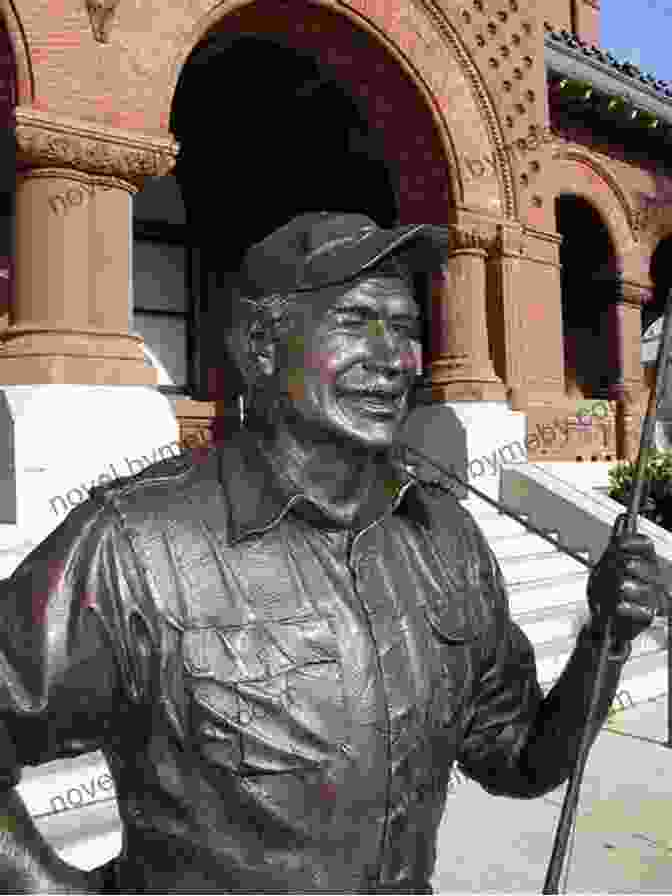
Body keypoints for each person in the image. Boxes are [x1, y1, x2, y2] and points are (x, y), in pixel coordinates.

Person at [0, 211, 662, 894]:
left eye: (405, 328)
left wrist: (604, 643)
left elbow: (522, 760)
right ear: (262, 346)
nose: (393, 358)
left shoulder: (446, 538)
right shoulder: (135, 544)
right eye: (356, 321)